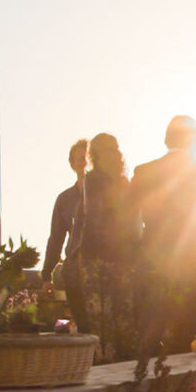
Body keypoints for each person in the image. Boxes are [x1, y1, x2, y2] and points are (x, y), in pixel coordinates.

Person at [132, 116, 196, 356]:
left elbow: (127, 217)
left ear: (167, 139)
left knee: (150, 332)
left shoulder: (143, 171)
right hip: (188, 256)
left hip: (151, 257)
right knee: (192, 332)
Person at [79, 133, 141, 362]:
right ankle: (124, 364)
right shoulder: (109, 181)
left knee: (106, 317)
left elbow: (94, 219)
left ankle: (111, 363)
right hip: (115, 256)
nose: (115, 153)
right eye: (110, 149)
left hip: (102, 256)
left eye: (115, 148)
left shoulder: (98, 180)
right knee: (120, 314)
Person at [41, 139, 90, 333]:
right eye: (79, 158)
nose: (83, 161)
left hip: (103, 269)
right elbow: (56, 238)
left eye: (87, 156)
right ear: (71, 164)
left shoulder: (107, 194)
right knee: (84, 326)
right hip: (74, 272)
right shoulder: (64, 199)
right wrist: (47, 275)